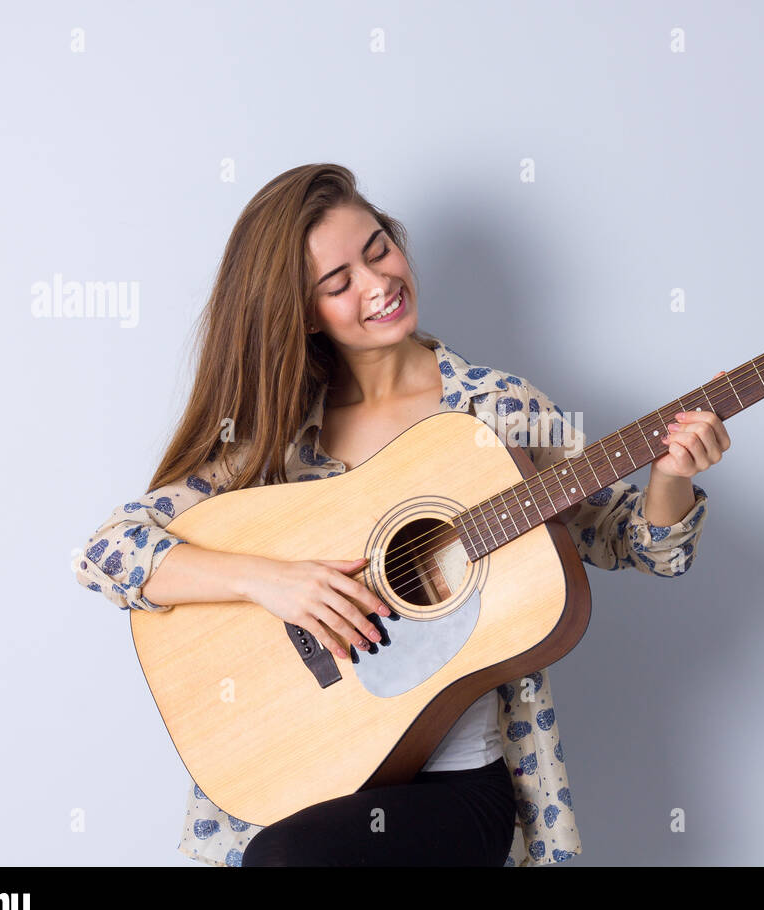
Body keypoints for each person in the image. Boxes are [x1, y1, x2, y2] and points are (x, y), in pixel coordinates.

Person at [74, 163, 728, 866]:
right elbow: (108, 555)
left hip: (458, 787)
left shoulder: (494, 411)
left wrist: (670, 477)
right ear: (302, 312)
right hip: (324, 767)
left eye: (378, 248)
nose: (378, 283)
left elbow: (639, 544)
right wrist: (270, 580)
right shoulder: (276, 438)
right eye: (338, 282)